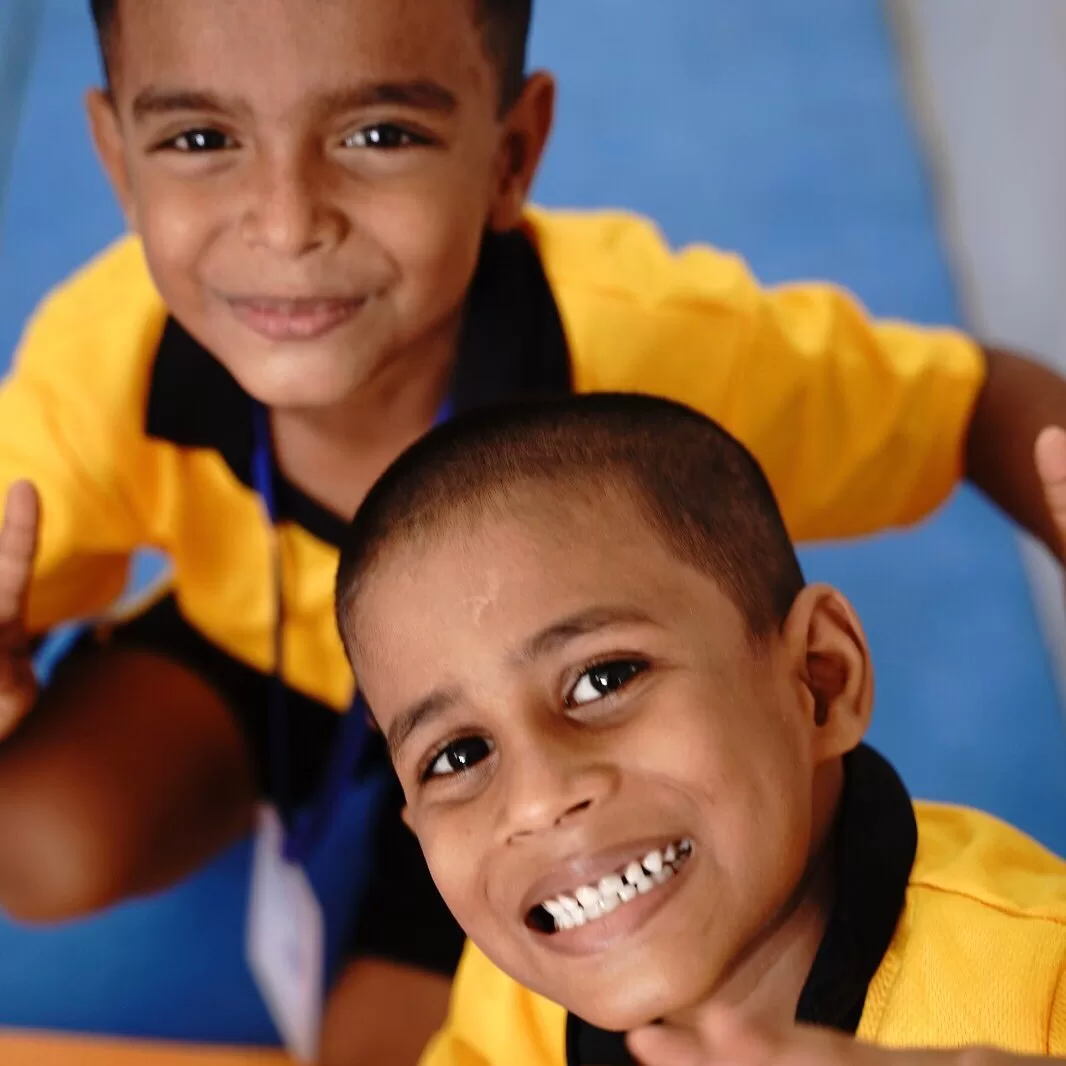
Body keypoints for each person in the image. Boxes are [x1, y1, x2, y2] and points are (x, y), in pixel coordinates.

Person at [4, 0, 1066, 1058]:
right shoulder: (103, 357)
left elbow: (970, 403)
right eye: (201, 140)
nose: (287, 224)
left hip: (481, 775)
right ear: (116, 157)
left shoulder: (663, 341)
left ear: (511, 155)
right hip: (283, 673)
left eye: (379, 134)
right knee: (32, 841)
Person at [332, 393, 1066, 1066]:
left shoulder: (1039, 987)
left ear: (821, 679)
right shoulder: (518, 1002)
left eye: (603, 681)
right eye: (457, 755)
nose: (537, 801)